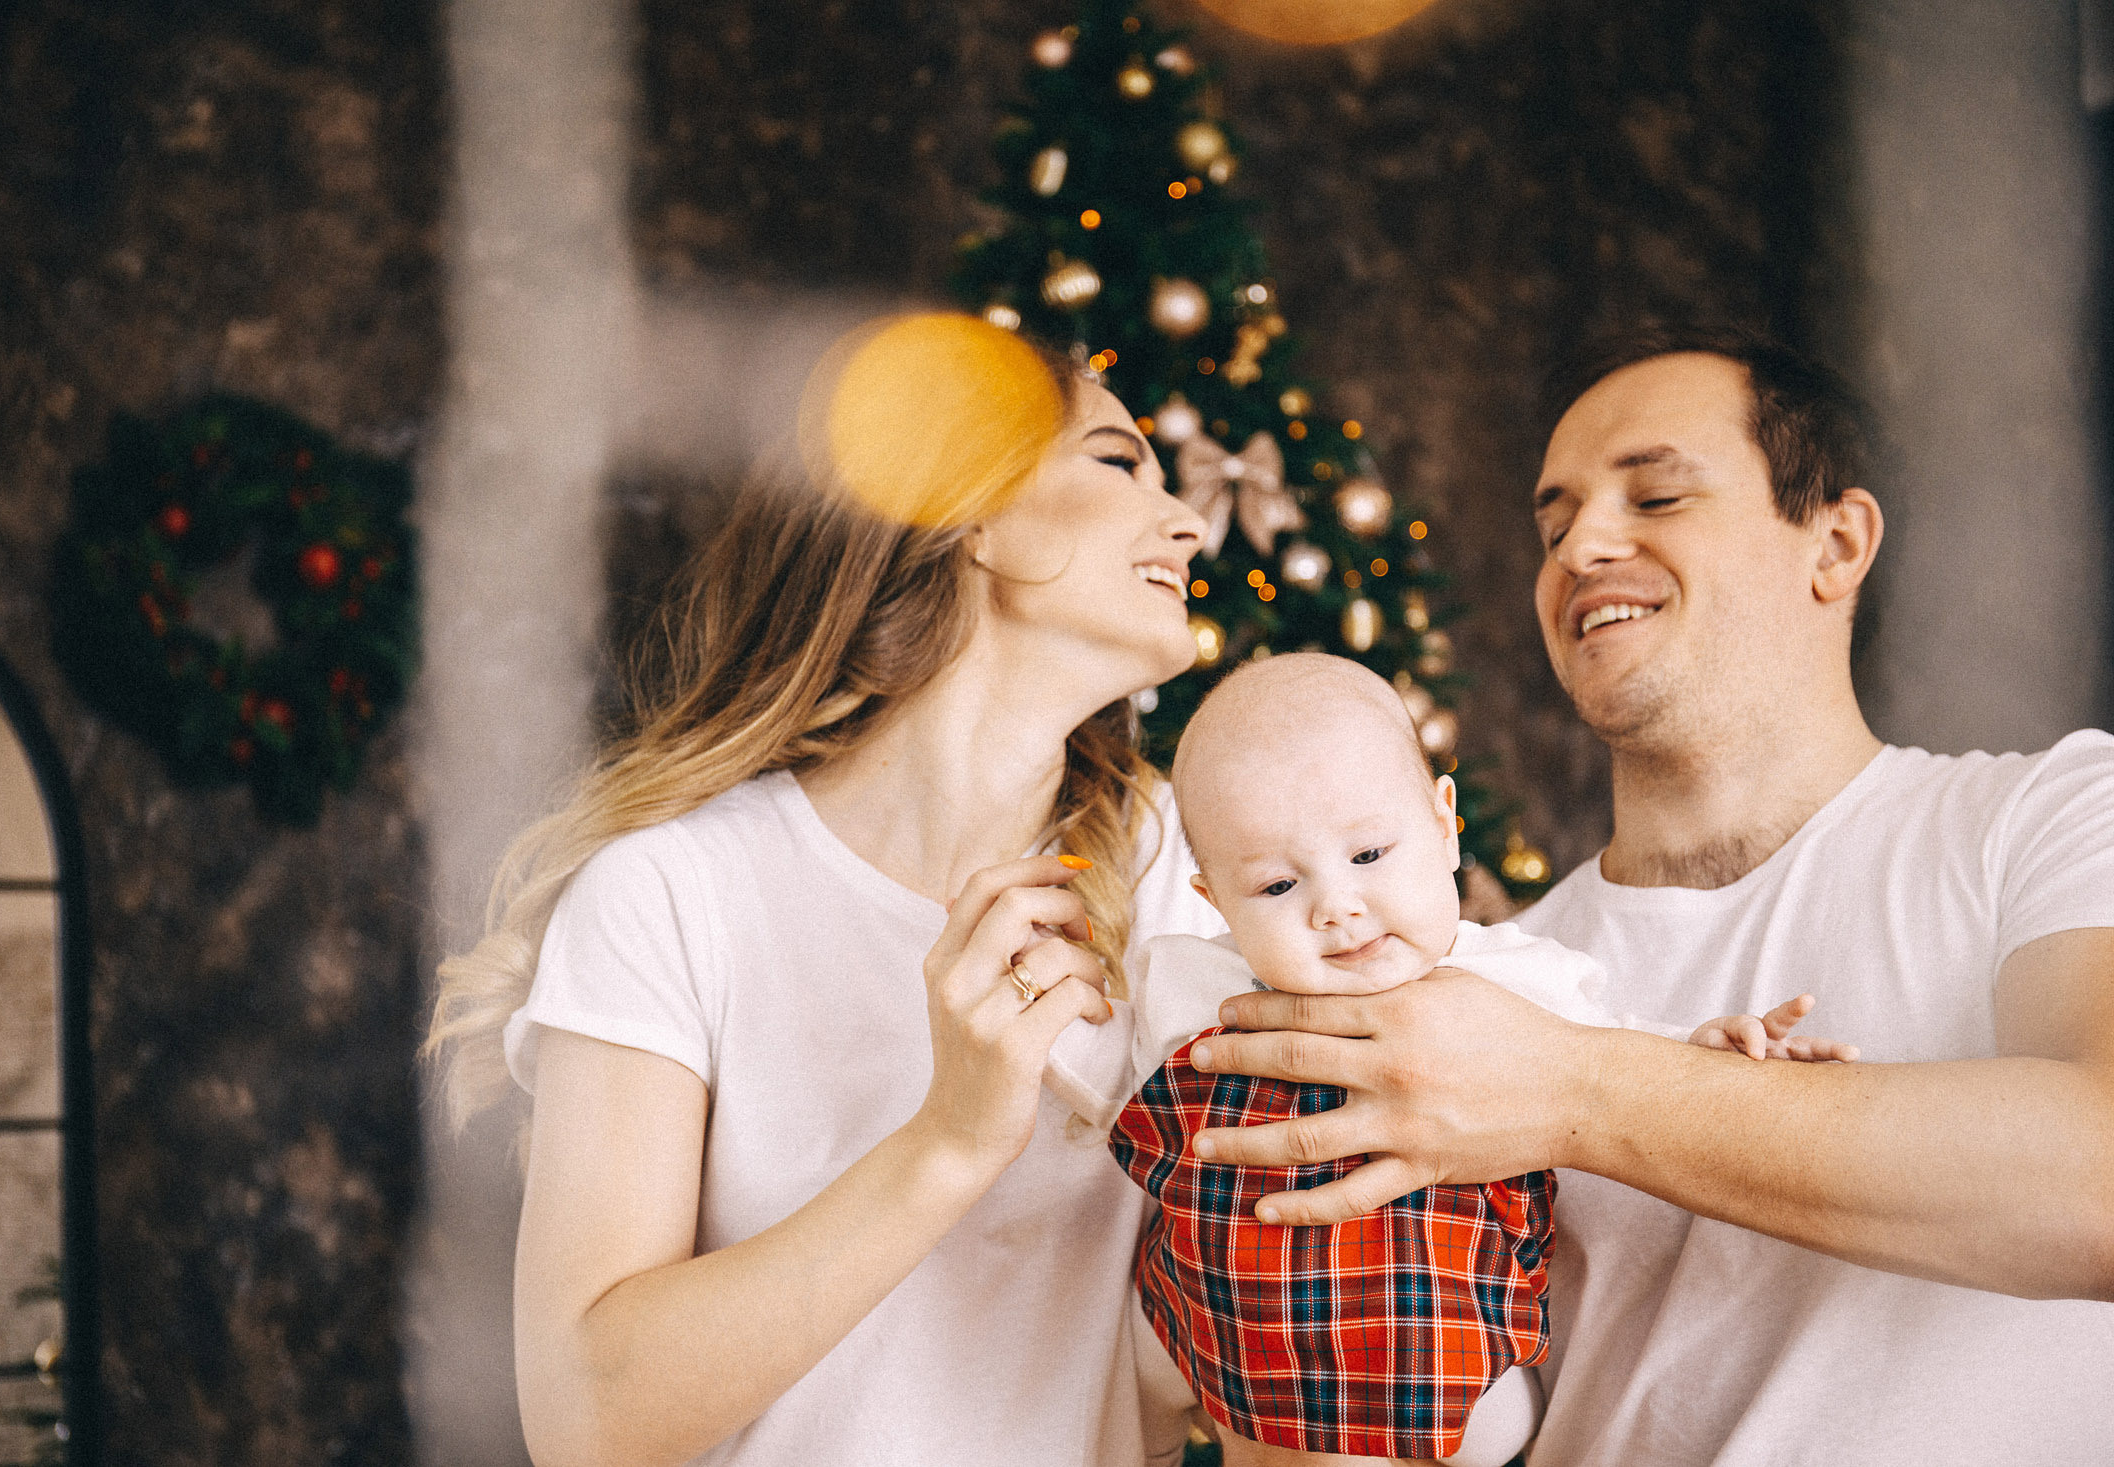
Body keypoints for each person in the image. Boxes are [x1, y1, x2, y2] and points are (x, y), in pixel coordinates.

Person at [1179, 327, 2114, 1464]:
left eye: (1657, 495)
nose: (1583, 549)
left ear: (1835, 543)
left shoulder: (2053, 818)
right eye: (1555, 523)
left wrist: (1566, 1085)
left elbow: (2098, 1186)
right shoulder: (1460, 989)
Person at [423, 326, 1229, 1466]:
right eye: (1116, 461)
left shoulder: (1177, 875)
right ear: (969, 508)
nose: (1190, 522)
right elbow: (587, 1422)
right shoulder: (673, 893)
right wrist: (950, 1141)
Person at [1046, 652, 1851, 1466]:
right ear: (1214, 899)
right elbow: (1111, 1075)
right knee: (1134, 1362)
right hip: (1222, 1309)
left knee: (1490, 1424)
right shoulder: (1198, 983)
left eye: (1367, 856)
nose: (1337, 906)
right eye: (1278, 887)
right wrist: (1047, 1014)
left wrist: (1707, 1047)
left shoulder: (1510, 979)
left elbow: (1611, 1050)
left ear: (1442, 822)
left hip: (1425, 1324)